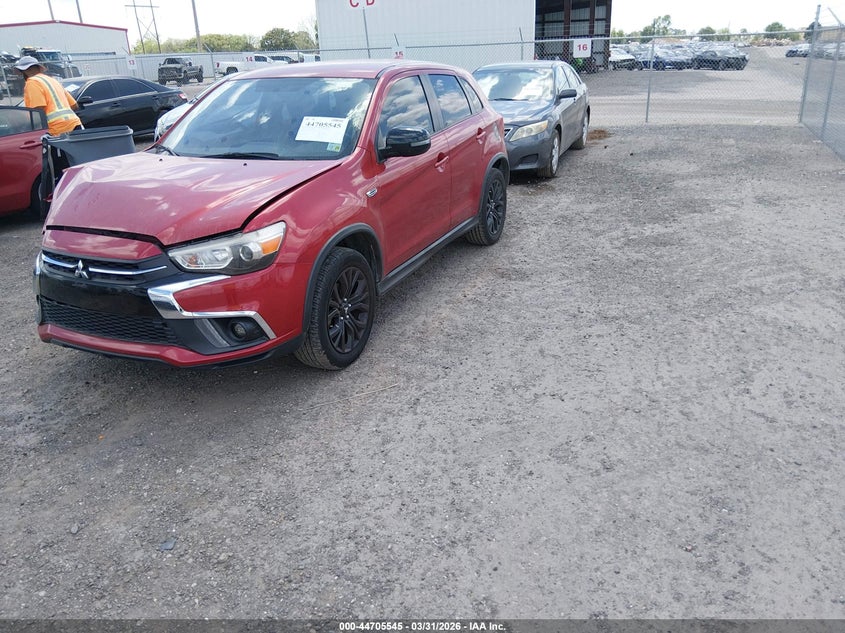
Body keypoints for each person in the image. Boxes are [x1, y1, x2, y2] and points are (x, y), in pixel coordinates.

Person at [14, 55, 83, 213]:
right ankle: (79, 201)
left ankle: (65, 207)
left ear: (25, 72)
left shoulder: (32, 83)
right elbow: (75, 105)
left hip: (57, 131)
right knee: (77, 168)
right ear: (38, 68)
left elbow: (37, 111)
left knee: (60, 171)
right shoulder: (52, 80)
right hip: (74, 125)